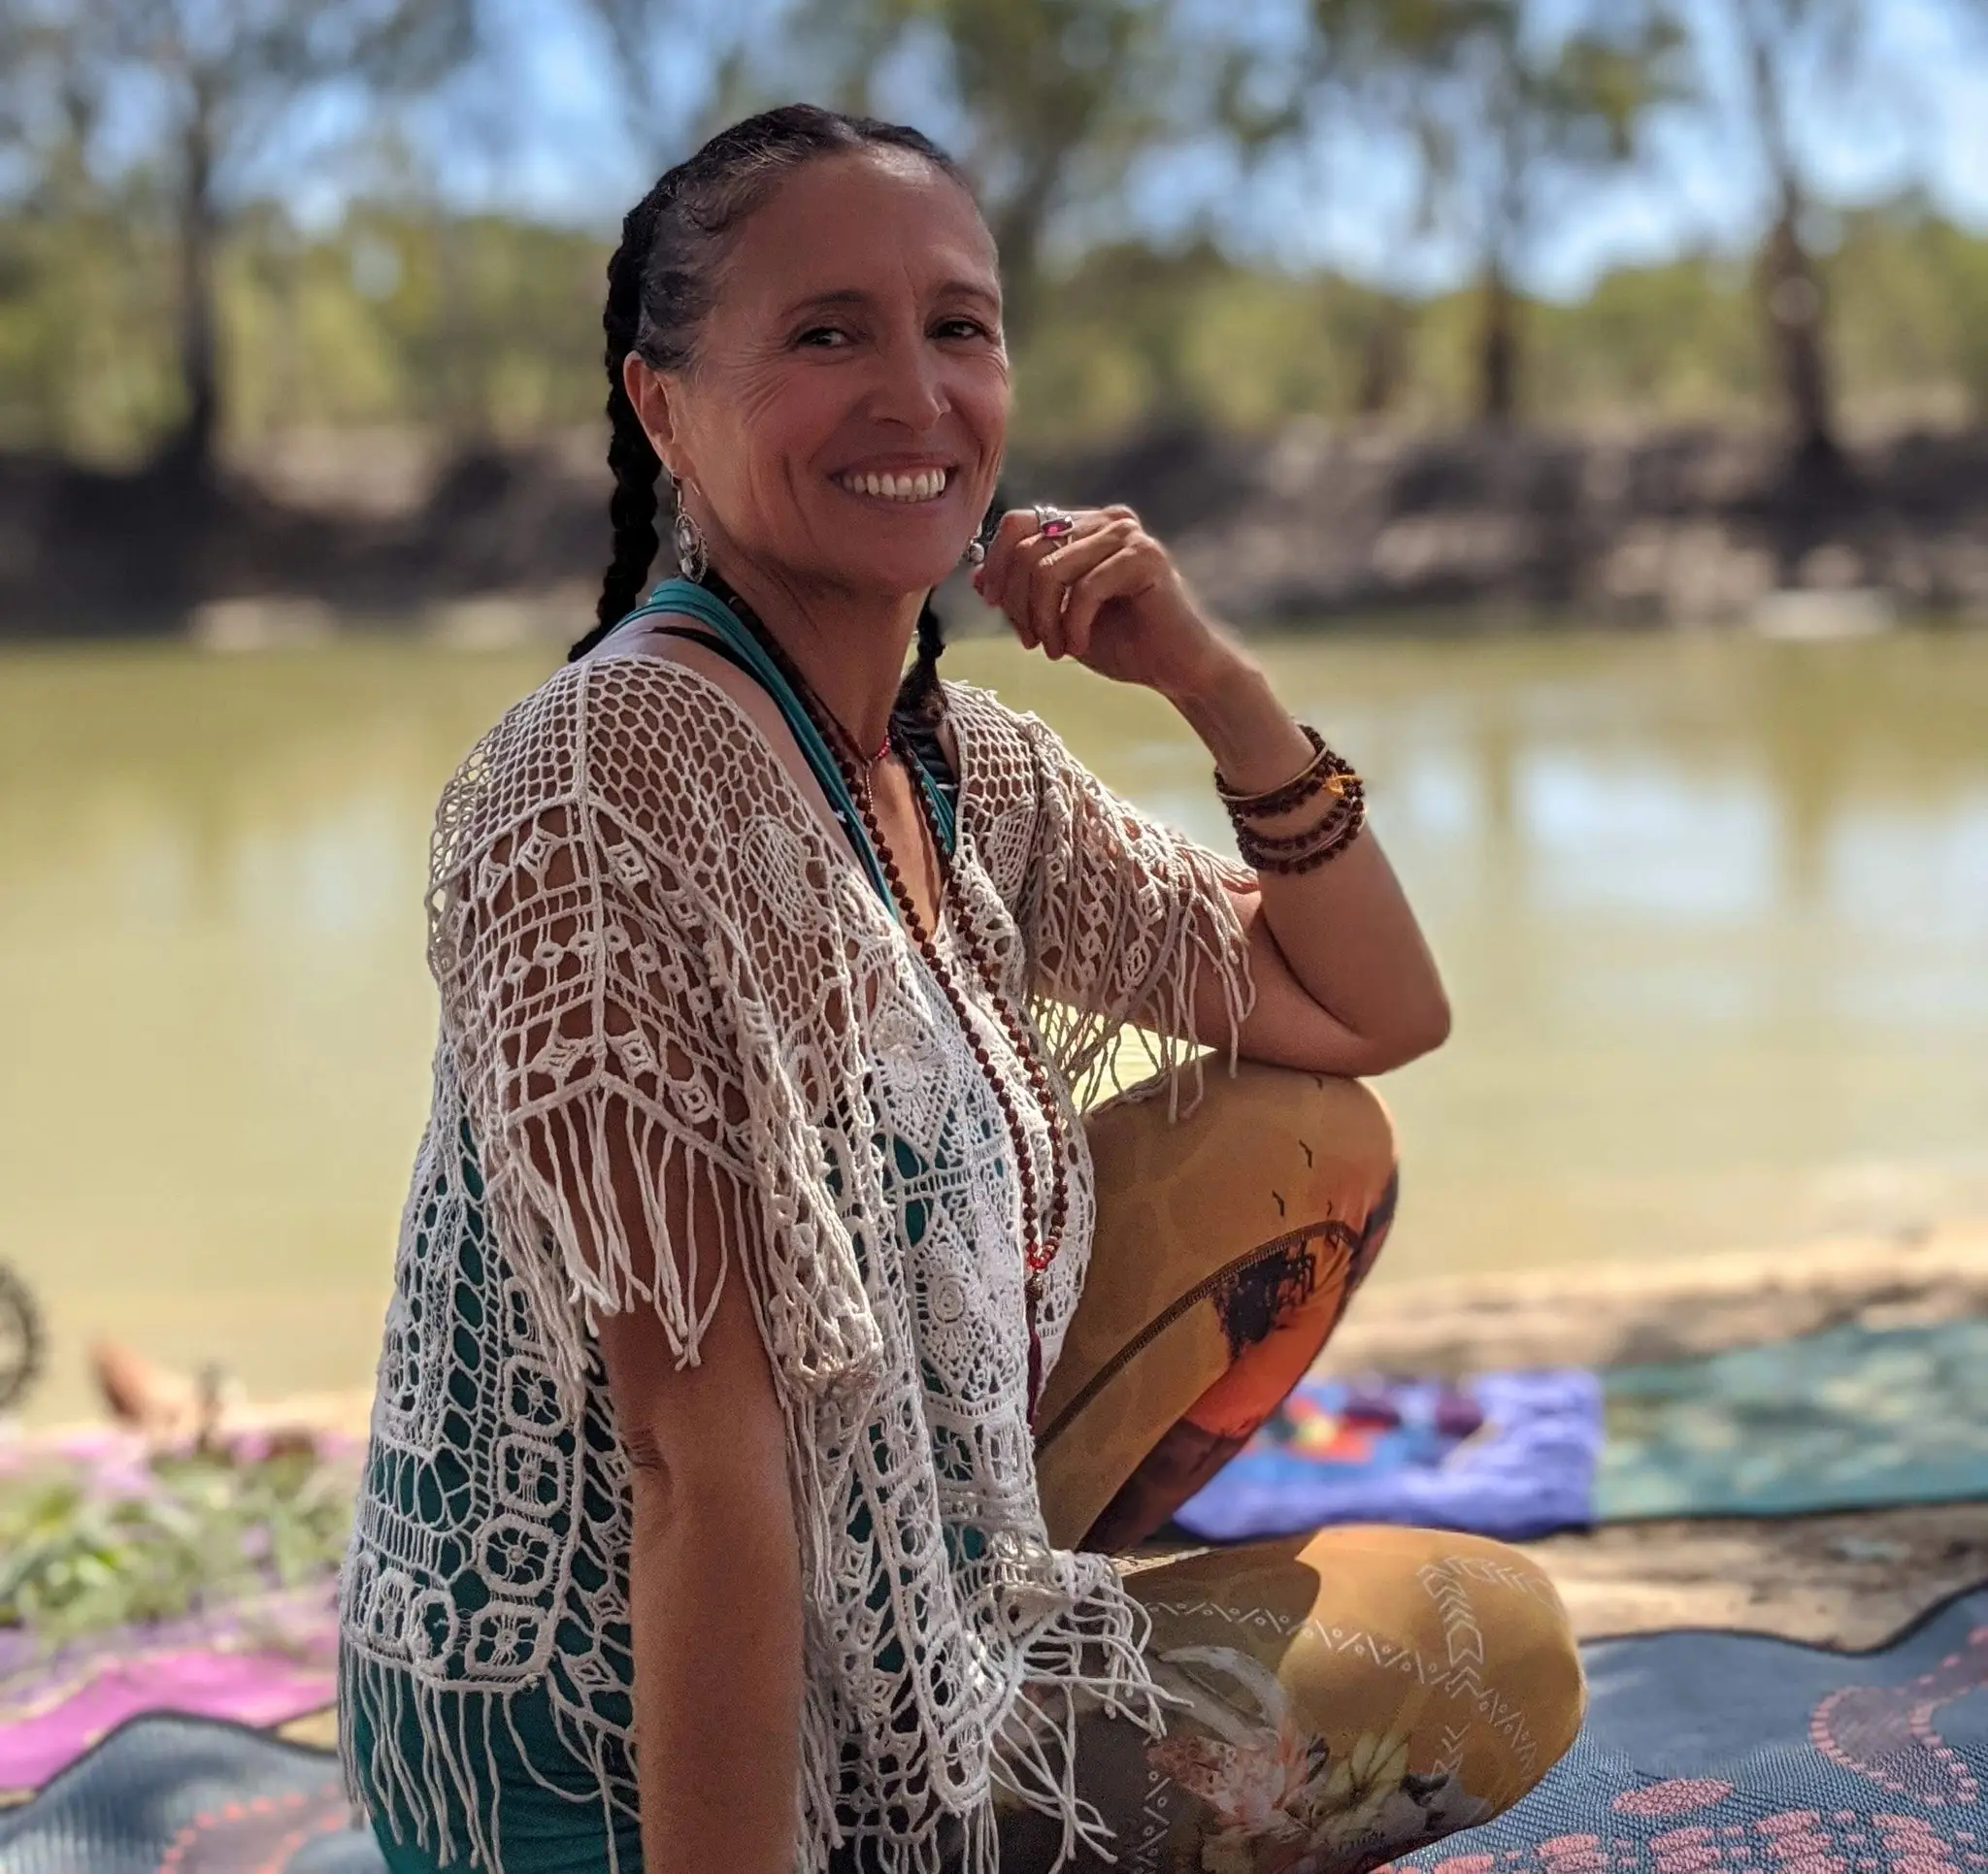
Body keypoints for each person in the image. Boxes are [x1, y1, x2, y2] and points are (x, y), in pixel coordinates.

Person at [337, 103, 1584, 1874]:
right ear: (663, 407)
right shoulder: (605, 780)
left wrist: (1213, 683)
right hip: (614, 1748)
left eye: (960, 326)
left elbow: (1376, 1013)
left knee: (1302, 1140)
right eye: (828, 333)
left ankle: (1003, 1628)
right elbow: (700, 1462)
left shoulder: (949, 767)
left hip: (909, 1582)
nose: (917, 395)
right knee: (1491, 1654)